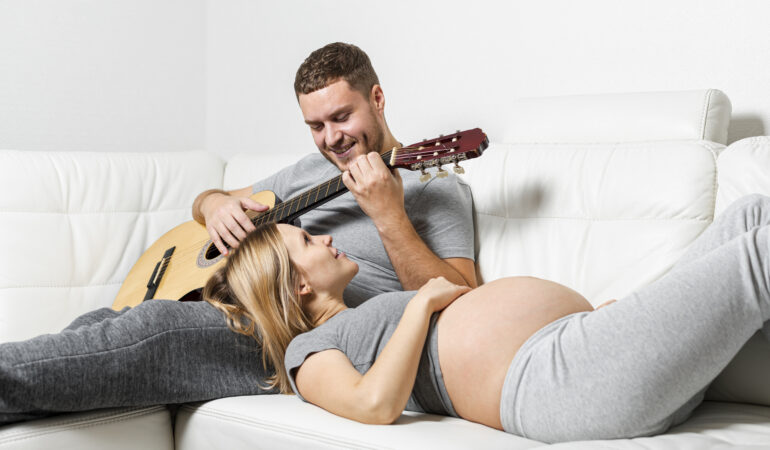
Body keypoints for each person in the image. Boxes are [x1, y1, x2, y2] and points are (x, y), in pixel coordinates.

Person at [0, 42, 475, 425]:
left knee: (154, 330)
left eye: (341, 117)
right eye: (315, 125)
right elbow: (206, 201)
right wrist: (215, 204)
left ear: (376, 98)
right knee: (100, 325)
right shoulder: (311, 171)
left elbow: (463, 301)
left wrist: (388, 215)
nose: (331, 138)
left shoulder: (436, 190)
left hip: (301, 329)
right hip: (248, 301)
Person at [203, 194, 770, 444]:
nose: (325, 237)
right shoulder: (310, 353)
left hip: (585, 347)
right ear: (299, 284)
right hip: (555, 383)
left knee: (751, 215)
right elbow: (373, 406)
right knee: (759, 254)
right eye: (308, 239)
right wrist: (422, 304)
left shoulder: (361, 315)